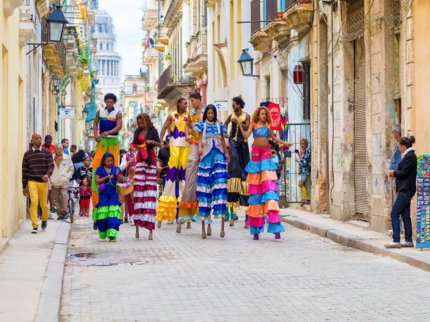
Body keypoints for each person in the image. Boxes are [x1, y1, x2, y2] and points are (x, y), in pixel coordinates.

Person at [238, 106, 292, 240]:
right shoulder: (253, 124)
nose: (263, 116)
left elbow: (274, 138)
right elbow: (245, 136)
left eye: (265, 114)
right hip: (256, 154)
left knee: (269, 185)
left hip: (266, 153)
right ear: (258, 114)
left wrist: (285, 143)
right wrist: (240, 125)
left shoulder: (268, 125)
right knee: (256, 189)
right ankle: (256, 231)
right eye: (261, 114)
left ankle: (275, 228)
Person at [194, 105, 230, 239]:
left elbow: (222, 139)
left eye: (212, 113)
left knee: (220, 182)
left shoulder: (220, 125)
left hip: (219, 154)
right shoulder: (201, 125)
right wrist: (199, 148)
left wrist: (226, 153)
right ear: (206, 114)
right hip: (206, 155)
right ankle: (204, 223)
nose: (210, 115)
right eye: (208, 113)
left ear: (214, 114)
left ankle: (221, 221)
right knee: (204, 188)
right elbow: (199, 139)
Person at [156, 98, 190, 227]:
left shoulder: (189, 116)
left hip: (186, 147)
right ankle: (167, 209)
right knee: (170, 177)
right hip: (174, 146)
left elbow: (194, 129)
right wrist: (160, 142)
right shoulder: (172, 115)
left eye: (187, 103)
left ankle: (185, 209)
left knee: (184, 177)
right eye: (184, 103)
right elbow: (164, 127)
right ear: (179, 104)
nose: (186, 105)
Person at [177, 92, 205, 233]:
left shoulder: (207, 111)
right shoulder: (191, 113)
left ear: (199, 100)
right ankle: (187, 210)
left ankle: (204, 211)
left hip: (206, 144)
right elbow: (187, 124)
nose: (191, 103)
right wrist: (187, 134)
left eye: (193, 100)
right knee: (191, 166)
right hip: (194, 144)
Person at [131, 113, 160, 240]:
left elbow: (159, 144)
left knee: (149, 190)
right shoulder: (137, 131)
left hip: (150, 161)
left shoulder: (153, 131)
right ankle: (138, 222)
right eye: (139, 123)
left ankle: (149, 224)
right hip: (140, 161)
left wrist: (152, 142)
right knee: (138, 190)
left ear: (147, 121)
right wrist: (137, 147)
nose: (140, 125)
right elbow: (133, 145)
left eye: (142, 122)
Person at [385, 136, 417, 249]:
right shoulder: (409, 156)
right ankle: (408, 240)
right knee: (405, 215)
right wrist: (397, 182)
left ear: (403, 146)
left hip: (406, 189)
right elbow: (405, 174)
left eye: (399, 146)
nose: (399, 148)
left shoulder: (410, 157)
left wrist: (393, 173)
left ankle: (396, 240)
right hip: (405, 188)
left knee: (394, 213)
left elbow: (403, 173)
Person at [92, 93, 122, 208]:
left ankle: (113, 184)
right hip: (102, 142)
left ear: (114, 102)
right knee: (96, 164)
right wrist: (95, 134)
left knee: (113, 164)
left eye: (111, 102)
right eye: (107, 102)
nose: (109, 104)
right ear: (105, 102)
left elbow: (119, 126)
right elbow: (95, 123)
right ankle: (96, 186)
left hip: (113, 141)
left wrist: (108, 133)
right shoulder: (100, 112)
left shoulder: (117, 113)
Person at [224, 96, 251, 226]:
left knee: (244, 173)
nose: (233, 106)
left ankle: (246, 212)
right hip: (233, 143)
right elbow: (225, 123)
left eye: (234, 104)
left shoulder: (247, 115)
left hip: (243, 145)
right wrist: (226, 134)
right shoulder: (231, 115)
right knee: (234, 170)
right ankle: (231, 211)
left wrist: (240, 123)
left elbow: (248, 127)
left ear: (240, 105)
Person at [22, 133, 55, 233]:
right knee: (34, 203)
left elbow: (51, 166)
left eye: (40, 138)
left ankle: (44, 219)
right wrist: (24, 186)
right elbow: (24, 170)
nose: (39, 139)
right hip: (31, 181)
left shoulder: (47, 153)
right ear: (32, 140)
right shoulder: (27, 154)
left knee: (44, 205)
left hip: (43, 181)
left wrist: (47, 175)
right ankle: (35, 225)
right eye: (37, 138)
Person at [93, 152, 124, 241]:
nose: (110, 162)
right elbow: (96, 181)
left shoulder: (116, 168)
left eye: (111, 161)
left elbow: (121, 180)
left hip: (113, 193)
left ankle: (112, 235)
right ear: (104, 162)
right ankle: (104, 231)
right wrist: (106, 177)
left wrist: (118, 175)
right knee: (104, 214)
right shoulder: (99, 169)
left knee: (113, 213)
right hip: (103, 194)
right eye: (108, 161)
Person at [50, 143, 75, 220]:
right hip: (54, 181)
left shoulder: (67, 158)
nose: (59, 150)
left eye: (61, 148)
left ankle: (64, 211)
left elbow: (71, 169)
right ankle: (60, 214)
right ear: (55, 149)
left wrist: (67, 176)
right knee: (56, 199)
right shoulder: (51, 157)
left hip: (64, 181)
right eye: (58, 148)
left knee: (64, 196)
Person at [119, 145, 138, 224]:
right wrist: (128, 162)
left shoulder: (141, 154)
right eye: (133, 145)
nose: (135, 146)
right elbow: (121, 168)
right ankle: (131, 216)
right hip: (129, 178)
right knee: (129, 198)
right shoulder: (126, 156)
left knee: (138, 197)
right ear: (130, 146)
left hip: (139, 178)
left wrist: (136, 167)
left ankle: (138, 216)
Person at [42, 135, 56, 214]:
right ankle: (46, 207)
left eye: (50, 142)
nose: (49, 144)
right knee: (46, 190)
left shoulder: (53, 147)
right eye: (47, 142)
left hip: (52, 171)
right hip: (44, 171)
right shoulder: (42, 147)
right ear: (45, 141)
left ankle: (52, 206)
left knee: (51, 190)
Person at [295, 138, 311, 206]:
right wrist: (299, 155)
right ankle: (306, 199)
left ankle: (307, 199)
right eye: (301, 144)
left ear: (306, 144)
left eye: (303, 144)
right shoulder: (304, 151)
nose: (302, 145)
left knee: (300, 183)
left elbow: (304, 161)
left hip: (305, 170)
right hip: (303, 170)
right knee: (302, 184)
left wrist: (298, 160)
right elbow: (302, 158)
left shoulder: (307, 151)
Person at [390, 125, 402, 191]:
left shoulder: (400, 148)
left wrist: (395, 181)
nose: (393, 134)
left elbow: (398, 165)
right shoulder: (398, 146)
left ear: (397, 133)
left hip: (398, 180)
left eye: (393, 132)